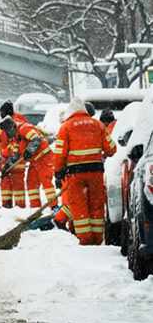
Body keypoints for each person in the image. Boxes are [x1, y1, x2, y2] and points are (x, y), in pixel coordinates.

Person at [51, 96, 116, 245]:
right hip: (96, 173)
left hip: (75, 174)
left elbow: (59, 153)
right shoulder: (98, 125)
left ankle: (85, 241)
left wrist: (58, 171)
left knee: (79, 206)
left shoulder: (66, 127)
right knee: (96, 205)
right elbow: (112, 149)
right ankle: (97, 239)